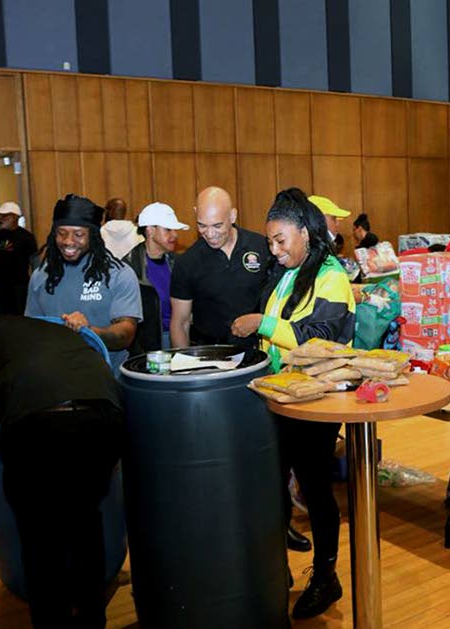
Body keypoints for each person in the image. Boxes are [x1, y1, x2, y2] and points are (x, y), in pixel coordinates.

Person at [231, 188, 355, 620]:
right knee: (275, 484)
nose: (274, 249)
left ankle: (326, 576)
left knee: (315, 489)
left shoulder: (331, 276)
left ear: (305, 232)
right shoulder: (288, 272)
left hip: (315, 403)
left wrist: (262, 323)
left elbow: (319, 335)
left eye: (281, 240)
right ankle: (275, 567)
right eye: (270, 241)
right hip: (284, 396)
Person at [0, 315, 123, 628]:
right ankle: (92, 620)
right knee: (85, 521)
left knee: (41, 537)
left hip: (40, 424)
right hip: (105, 413)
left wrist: (9, 403)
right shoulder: (55, 331)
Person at [25, 194, 142, 370]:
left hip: (105, 376)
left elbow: (126, 333)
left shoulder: (119, 274)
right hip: (54, 375)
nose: (68, 241)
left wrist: (89, 332)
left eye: (78, 234)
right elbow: (31, 331)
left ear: (94, 236)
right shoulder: (40, 276)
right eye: (61, 234)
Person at [169, 186, 270, 349]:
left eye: (217, 226)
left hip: (257, 351)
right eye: (202, 225)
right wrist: (183, 367)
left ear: (232, 216)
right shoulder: (187, 262)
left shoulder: (261, 247)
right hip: (209, 354)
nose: (209, 234)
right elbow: (180, 323)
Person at [124, 202, 188, 349]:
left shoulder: (178, 263)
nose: (175, 235)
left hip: (180, 337)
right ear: (150, 230)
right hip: (149, 346)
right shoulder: (129, 269)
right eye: (168, 230)